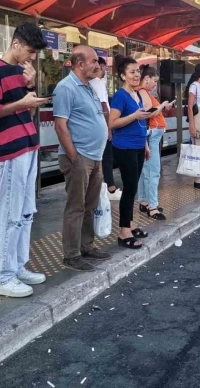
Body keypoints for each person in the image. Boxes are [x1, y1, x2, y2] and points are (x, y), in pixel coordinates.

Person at [0, 22, 48, 298]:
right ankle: (1, 274)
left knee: (25, 212)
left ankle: (17, 266)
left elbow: (24, 110)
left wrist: (30, 87)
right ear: (16, 44)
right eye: (30, 51)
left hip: (27, 146)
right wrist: (22, 103)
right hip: (8, 151)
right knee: (9, 213)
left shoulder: (22, 72)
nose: (31, 57)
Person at [54, 46, 112, 272]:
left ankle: (86, 246)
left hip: (95, 156)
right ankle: (71, 254)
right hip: (79, 157)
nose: (97, 66)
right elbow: (60, 126)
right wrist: (74, 156)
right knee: (76, 206)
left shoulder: (89, 86)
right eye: (94, 61)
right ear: (79, 64)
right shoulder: (65, 88)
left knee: (90, 204)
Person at [109, 56, 160, 248]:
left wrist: (145, 145)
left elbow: (141, 122)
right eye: (132, 72)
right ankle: (123, 232)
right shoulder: (120, 96)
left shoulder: (137, 94)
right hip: (125, 147)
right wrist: (134, 116)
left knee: (133, 188)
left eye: (138, 71)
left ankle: (130, 225)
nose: (136, 75)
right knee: (129, 189)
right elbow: (112, 123)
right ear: (122, 75)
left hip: (139, 146)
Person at [136, 65, 171, 219]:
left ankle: (144, 201)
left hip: (150, 135)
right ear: (147, 78)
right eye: (154, 81)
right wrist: (162, 105)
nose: (155, 84)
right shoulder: (143, 91)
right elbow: (149, 112)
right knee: (153, 171)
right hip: (152, 135)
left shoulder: (142, 92)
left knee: (146, 171)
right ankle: (153, 207)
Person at [89, 57, 122, 201]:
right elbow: (104, 107)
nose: (104, 71)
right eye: (102, 67)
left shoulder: (86, 83)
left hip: (92, 128)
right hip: (102, 126)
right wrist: (109, 128)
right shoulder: (98, 84)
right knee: (107, 158)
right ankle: (110, 188)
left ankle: (100, 189)